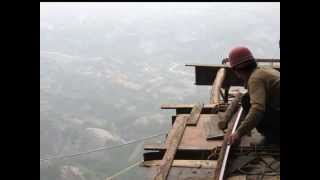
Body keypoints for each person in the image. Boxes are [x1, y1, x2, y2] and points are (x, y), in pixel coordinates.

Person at [225, 46, 280, 146]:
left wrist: (239, 132)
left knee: (247, 101)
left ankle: (273, 139)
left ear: (237, 70)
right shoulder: (263, 71)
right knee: (247, 97)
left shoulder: (255, 79)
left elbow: (257, 109)